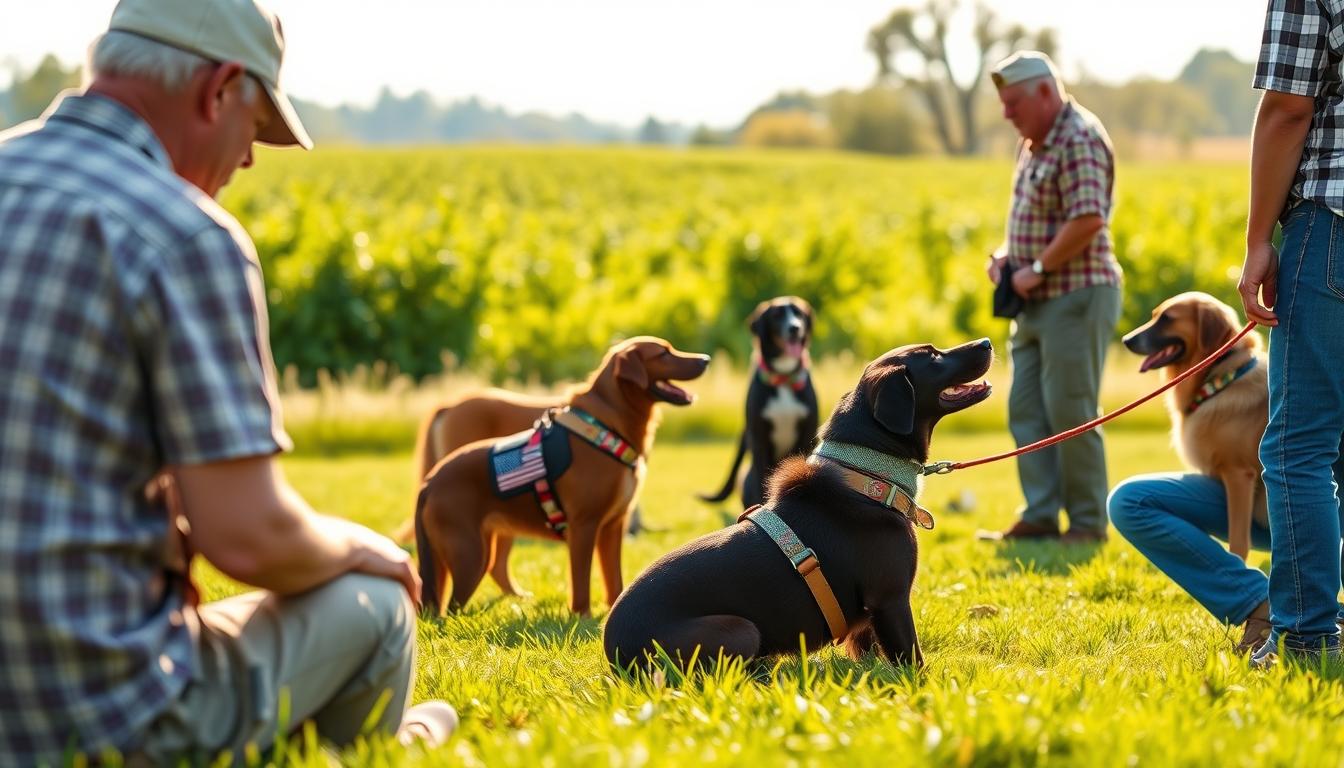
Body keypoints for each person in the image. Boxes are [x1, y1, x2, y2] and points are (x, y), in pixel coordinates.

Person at [0, 0, 456, 763]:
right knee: (378, 605)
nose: (248, 159)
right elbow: (248, 536)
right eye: (256, 127)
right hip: (101, 721)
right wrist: (357, 547)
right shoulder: (184, 237)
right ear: (218, 91)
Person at [1237, 0, 1344, 666]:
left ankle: (1306, 641)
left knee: (1298, 447)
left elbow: (1288, 108)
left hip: (1334, 224)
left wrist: (1257, 241)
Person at [983, 51, 1124, 544]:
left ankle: (1087, 523)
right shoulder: (1034, 142)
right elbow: (1036, 220)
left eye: (1014, 102)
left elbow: (1088, 219)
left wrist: (1038, 268)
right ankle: (1041, 514)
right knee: (1026, 410)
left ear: (1046, 92)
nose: (1006, 114)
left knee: (1071, 410)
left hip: (1077, 294)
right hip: (1035, 300)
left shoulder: (1079, 137)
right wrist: (1006, 257)